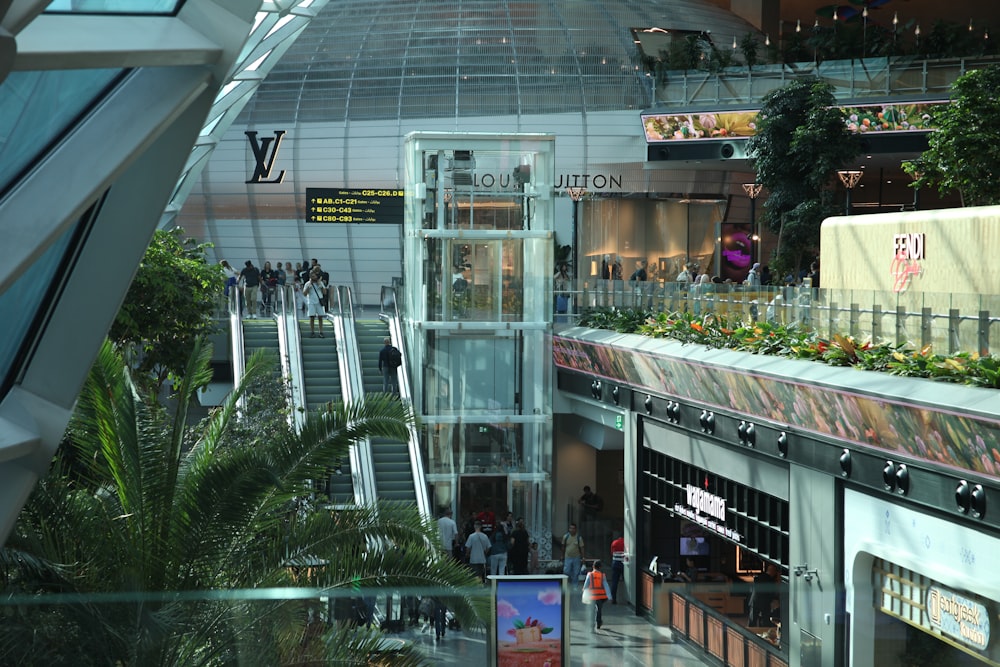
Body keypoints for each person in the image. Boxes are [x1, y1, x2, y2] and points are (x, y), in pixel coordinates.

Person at [582, 560, 612, 630]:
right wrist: (609, 597)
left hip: (592, 596)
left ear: (593, 566)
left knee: (592, 610)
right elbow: (606, 586)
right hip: (601, 597)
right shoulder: (602, 576)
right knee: (599, 610)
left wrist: (584, 592)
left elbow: (586, 585)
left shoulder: (590, 575)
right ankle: (598, 622)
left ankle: (592, 624)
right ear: (600, 567)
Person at [302, 270, 327, 337]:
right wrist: (308, 287)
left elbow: (325, 292)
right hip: (311, 302)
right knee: (312, 317)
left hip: (319, 301)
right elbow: (304, 293)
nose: (313, 277)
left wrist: (321, 286)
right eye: (312, 276)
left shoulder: (320, 283)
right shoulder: (307, 283)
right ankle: (312, 331)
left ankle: (321, 331)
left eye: (314, 276)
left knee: (320, 317)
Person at [609, 532, 626, 604]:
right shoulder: (626, 543)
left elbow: (612, 552)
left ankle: (613, 598)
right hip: (623, 563)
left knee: (614, 582)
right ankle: (627, 598)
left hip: (615, 563)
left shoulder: (614, 543)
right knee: (626, 581)